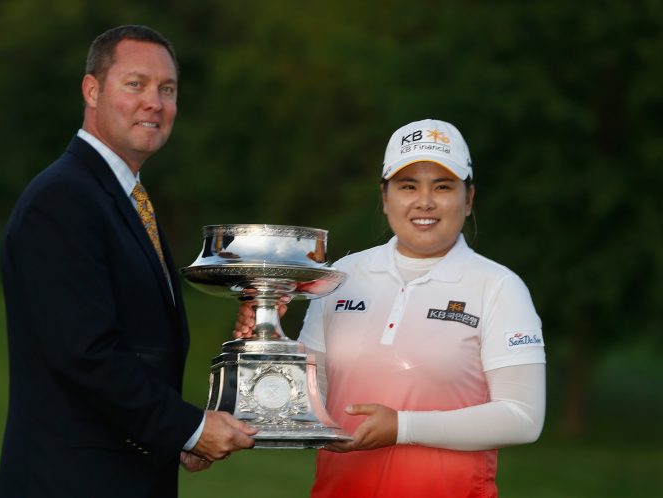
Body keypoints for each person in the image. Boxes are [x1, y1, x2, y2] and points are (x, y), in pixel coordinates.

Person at [0, 25, 256, 498]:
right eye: (135, 84)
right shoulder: (63, 199)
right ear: (92, 90)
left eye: (167, 89)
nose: (154, 102)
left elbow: (139, 347)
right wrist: (189, 428)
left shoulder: (119, 196)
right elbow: (86, 355)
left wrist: (174, 434)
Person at [234, 119, 546, 497]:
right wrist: (265, 349)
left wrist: (403, 427)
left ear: (469, 199)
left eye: (443, 186)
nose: (425, 201)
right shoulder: (342, 276)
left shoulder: (498, 287)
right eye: (408, 185)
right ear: (385, 198)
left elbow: (523, 418)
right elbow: (312, 395)